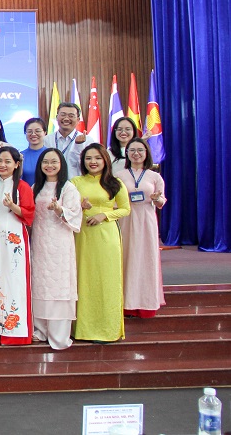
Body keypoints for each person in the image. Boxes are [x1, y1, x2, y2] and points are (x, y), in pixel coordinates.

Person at [71, 143, 131, 343]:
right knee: (83, 279)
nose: (93, 162)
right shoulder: (75, 182)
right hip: (82, 236)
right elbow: (67, 207)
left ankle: (107, 329)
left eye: (97, 158)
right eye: (88, 158)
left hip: (106, 236)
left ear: (105, 160)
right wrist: (80, 206)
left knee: (106, 280)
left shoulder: (115, 183)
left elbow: (125, 209)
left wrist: (104, 215)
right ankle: (82, 328)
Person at [0, 147, 35, 345]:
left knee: (13, 281)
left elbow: (29, 215)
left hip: (14, 240)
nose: (2, 165)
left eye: (8, 161)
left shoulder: (23, 187)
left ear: (17, 164)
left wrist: (13, 206)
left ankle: (14, 331)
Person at [30, 148, 81, 350]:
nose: (49, 166)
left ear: (62, 165)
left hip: (60, 243)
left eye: (54, 162)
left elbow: (75, 214)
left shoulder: (68, 188)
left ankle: (58, 335)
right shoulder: (36, 187)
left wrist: (60, 210)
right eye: (45, 162)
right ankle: (40, 329)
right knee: (40, 282)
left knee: (58, 285)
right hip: (40, 241)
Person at [114, 138, 167, 318]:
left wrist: (156, 198)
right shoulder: (119, 175)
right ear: (127, 153)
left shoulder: (154, 176)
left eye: (140, 150)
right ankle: (126, 303)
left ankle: (145, 303)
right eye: (132, 150)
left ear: (146, 154)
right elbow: (113, 200)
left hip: (146, 219)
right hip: (125, 219)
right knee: (126, 258)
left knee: (146, 259)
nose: (136, 153)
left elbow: (161, 202)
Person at [43, 102, 87, 179]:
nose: (66, 119)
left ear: (78, 119)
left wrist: (79, 146)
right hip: (52, 185)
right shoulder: (46, 140)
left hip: (77, 186)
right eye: (63, 115)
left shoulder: (87, 140)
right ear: (57, 117)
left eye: (71, 116)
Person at [20, 117, 47, 186]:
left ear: (45, 132)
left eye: (37, 131)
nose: (33, 134)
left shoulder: (51, 154)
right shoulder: (20, 156)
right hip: (26, 194)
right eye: (29, 131)